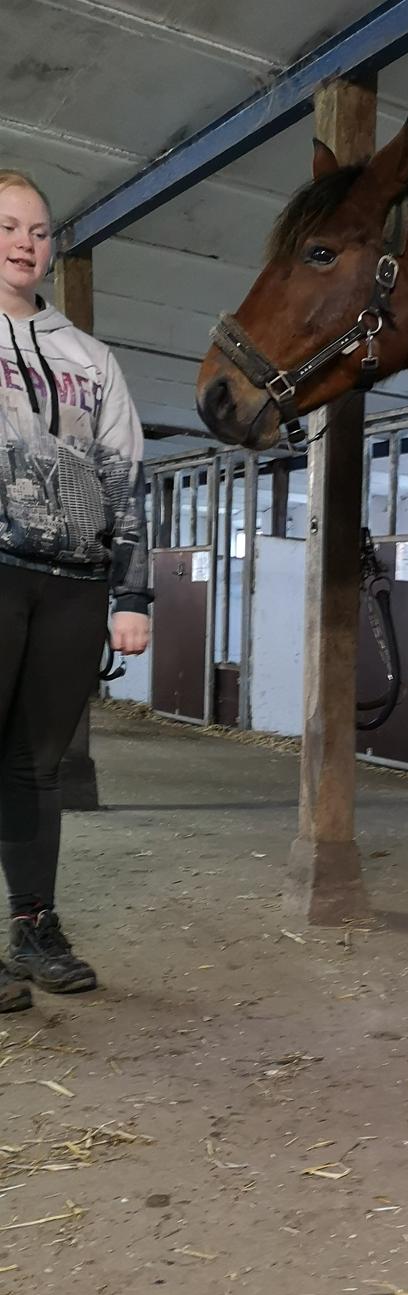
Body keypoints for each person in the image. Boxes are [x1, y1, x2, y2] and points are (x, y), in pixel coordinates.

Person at [0, 170, 151, 1011]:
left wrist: (131, 596)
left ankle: (33, 927)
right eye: (11, 227)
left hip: (69, 586)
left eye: (41, 230)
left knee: (36, 765)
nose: (28, 242)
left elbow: (125, 474)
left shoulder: (90, 359)